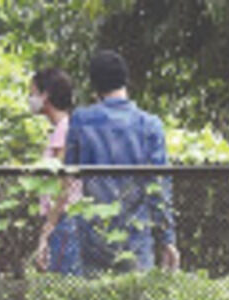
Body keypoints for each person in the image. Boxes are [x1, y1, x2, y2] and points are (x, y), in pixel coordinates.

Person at [64, 50, 179, 273]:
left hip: (93, 236)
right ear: (126, 80)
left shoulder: (80, 120)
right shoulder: (150, 125)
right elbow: (159, 187)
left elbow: (69, 179)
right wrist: (167, 239)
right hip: (136, 237)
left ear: (94, 85)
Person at [30, 68, 83, 274]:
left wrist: (47, 229)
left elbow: (63, 186)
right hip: (62, 219)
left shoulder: (65, 129)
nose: (30, 99)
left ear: (46, 96)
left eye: (33, 93)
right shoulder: (61, 129)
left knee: (64, 287)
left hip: (64, 220)